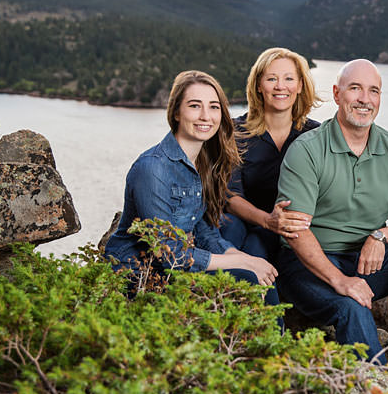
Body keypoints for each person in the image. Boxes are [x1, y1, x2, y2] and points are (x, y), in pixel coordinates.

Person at [275, 59, 388, 381]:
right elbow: (295, 231)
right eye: (355, 88)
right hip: (309, 266)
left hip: (365, 261)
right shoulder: (307, 150)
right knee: (351, 306)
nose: (365, 98)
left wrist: (380, 236)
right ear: (337, 94)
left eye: (373, 90)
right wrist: (340, 281)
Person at [105, 70, 279, 306]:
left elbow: (206, 232)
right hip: (138, 272)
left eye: (214, 107)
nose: (206, 116)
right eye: (195, 106)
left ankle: (276, 341)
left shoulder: (205, 164)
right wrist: (244, 264)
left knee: (260, 271)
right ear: (176, 112)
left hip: (174, 267)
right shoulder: (153, 168)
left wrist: (248, 259)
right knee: (246, 277)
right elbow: (169, 254)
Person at [221, 47, 320, 263]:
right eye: (271, 78)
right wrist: (268, 221)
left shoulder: (316, 135)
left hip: (296, 229)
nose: (280, 86)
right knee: (235, 233)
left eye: (288, 78)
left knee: (258, 245)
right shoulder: (235, 132)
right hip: (246, 221)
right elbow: (231, 197)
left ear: (300, 85)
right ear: (258, 85)